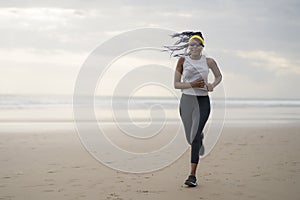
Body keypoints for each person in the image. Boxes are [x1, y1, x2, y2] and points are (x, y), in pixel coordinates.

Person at [170, 31, 222, 187]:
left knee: (194, 138)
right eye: (190, 44)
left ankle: (192, 176)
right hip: (186, 101)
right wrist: (193, 84)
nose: (192, 46)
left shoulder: (209, 61)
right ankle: (200, 138)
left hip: (202, 101)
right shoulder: (182, 61)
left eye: (196, 44)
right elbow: (176, 84)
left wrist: (212, 84)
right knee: (190, 138)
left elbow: (219, 76)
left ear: (201, 46)